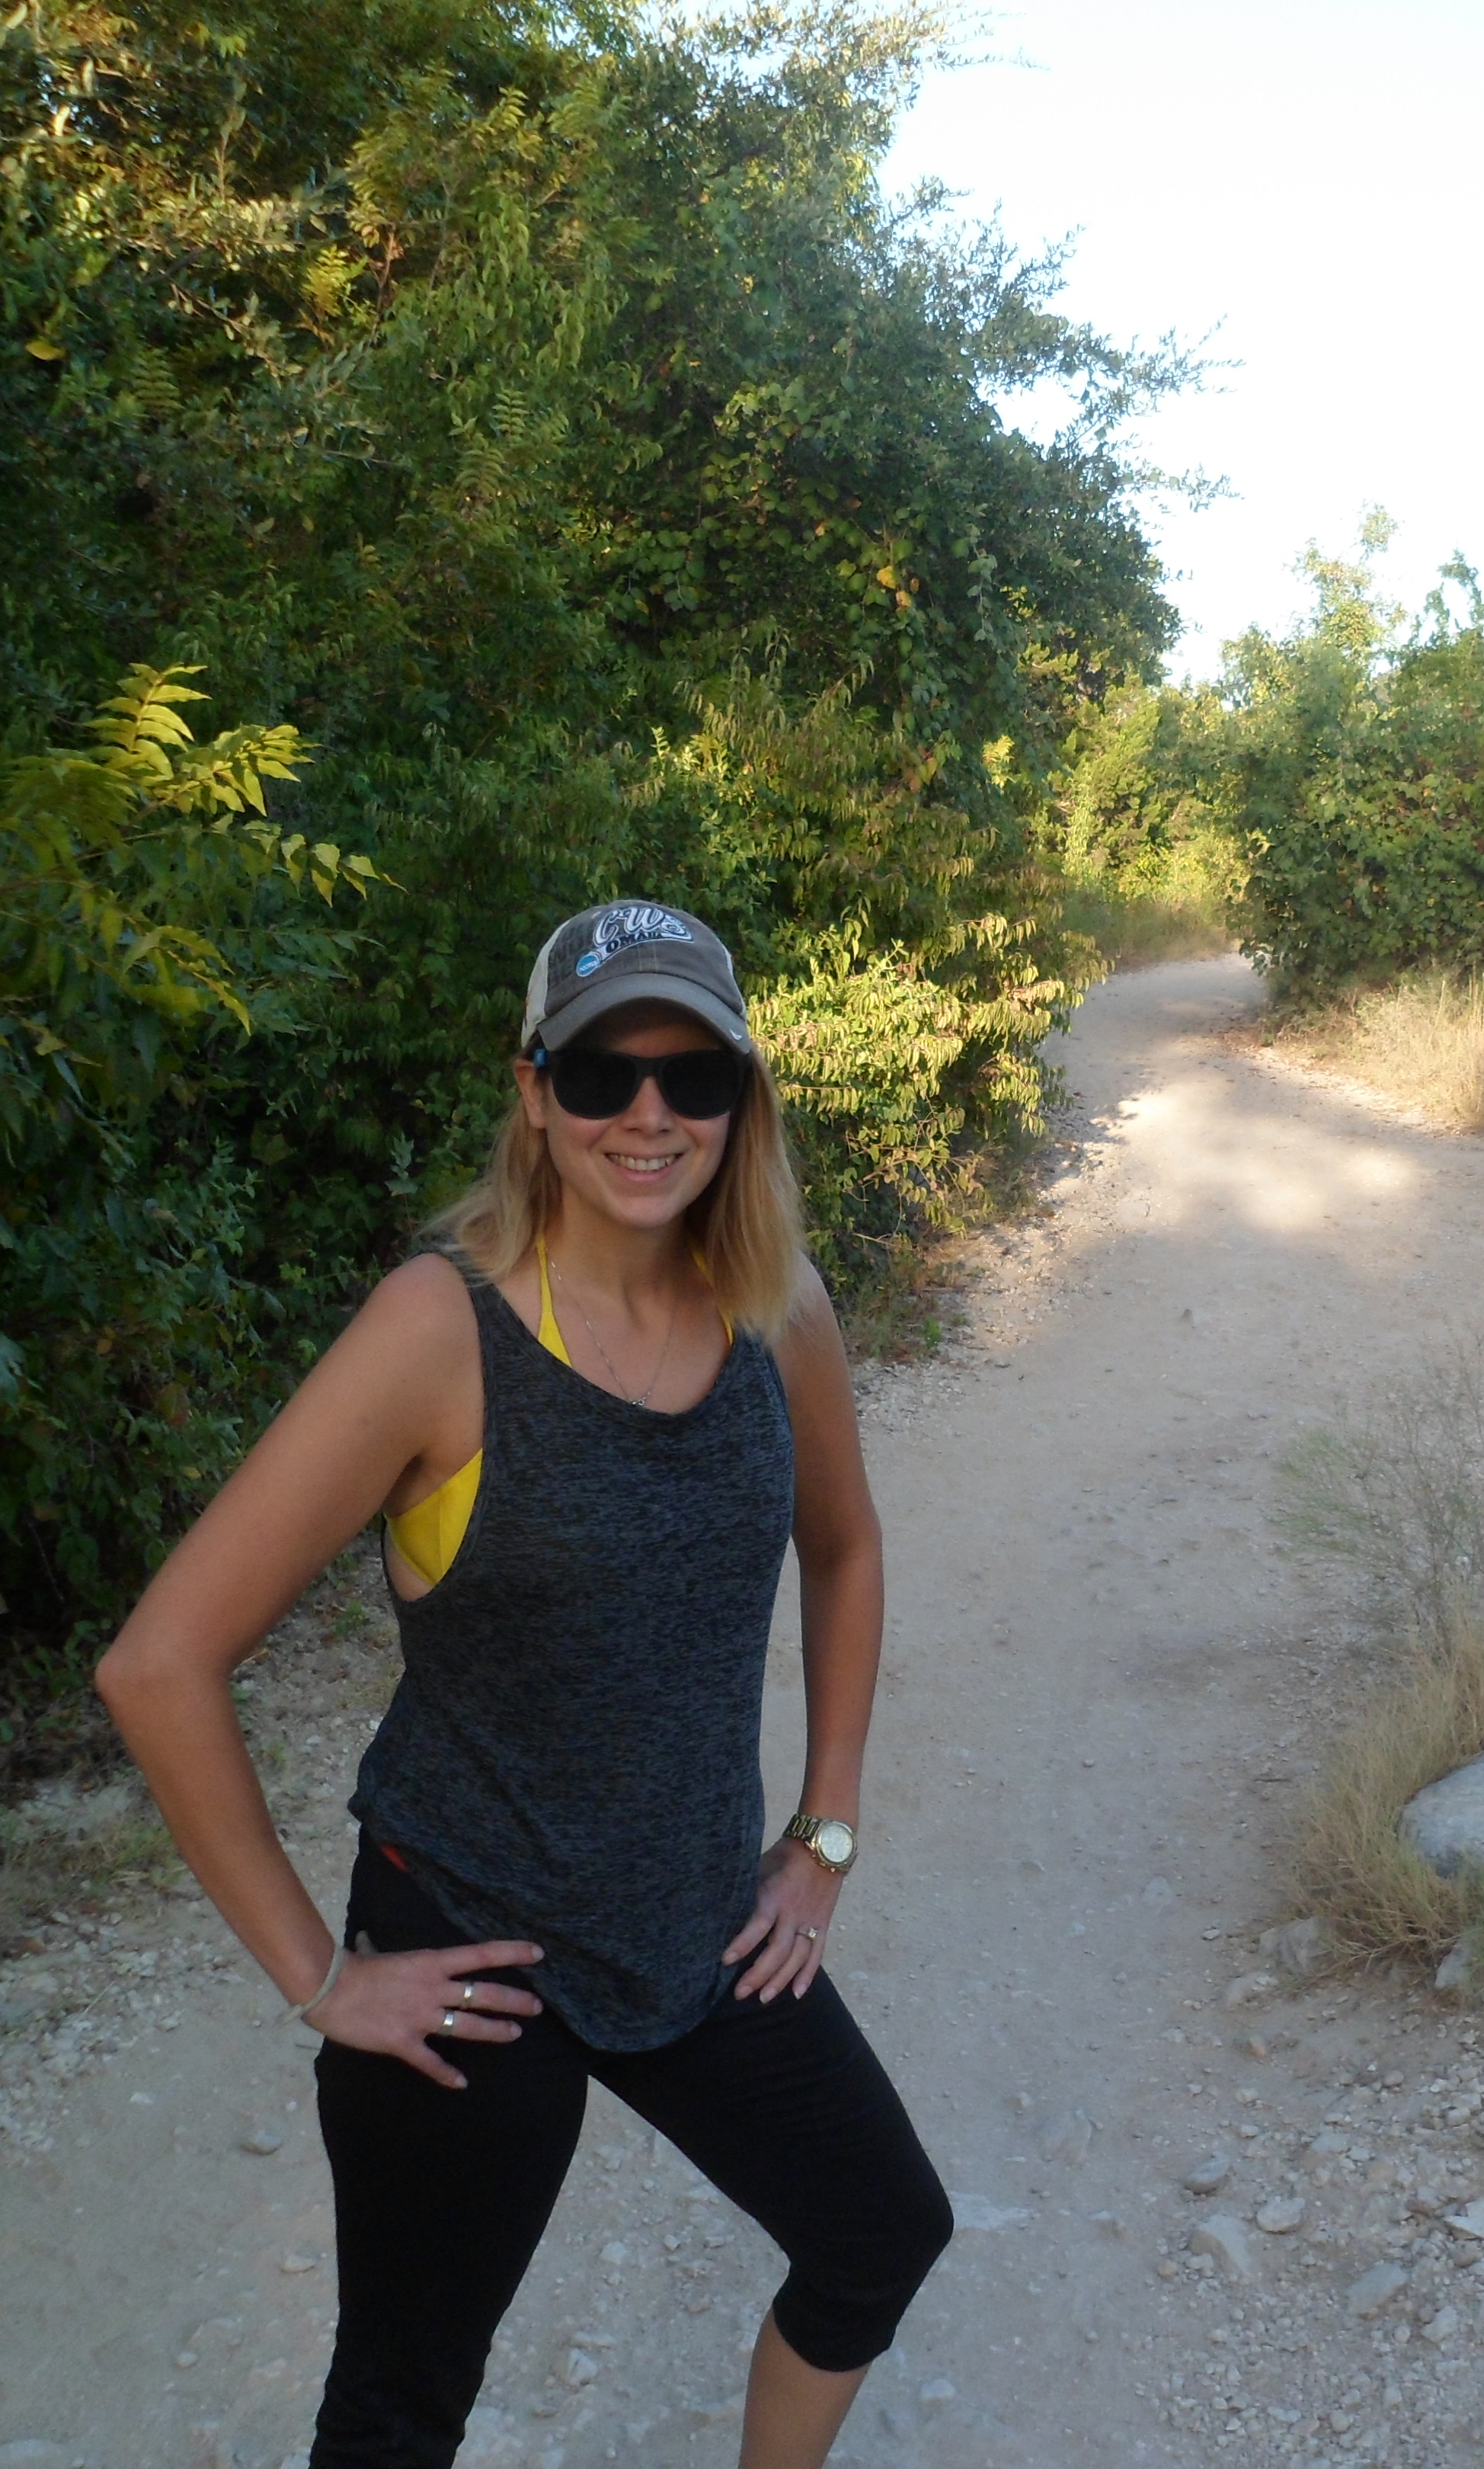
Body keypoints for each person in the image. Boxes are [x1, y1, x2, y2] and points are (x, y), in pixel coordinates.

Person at [95, 899, 951, 2469]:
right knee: (401, 2404)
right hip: (471, 1946)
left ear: (744, 1102)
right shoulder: (440, 1330)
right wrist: (321, 1979)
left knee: (881, 2231)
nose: (650, 1114)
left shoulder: (780, 1308)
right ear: (535, 1091)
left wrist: (825, 1831)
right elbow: (161, 1664)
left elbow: (845, 1547)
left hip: (698, 1921)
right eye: (604, 1072)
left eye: (696, 1077)